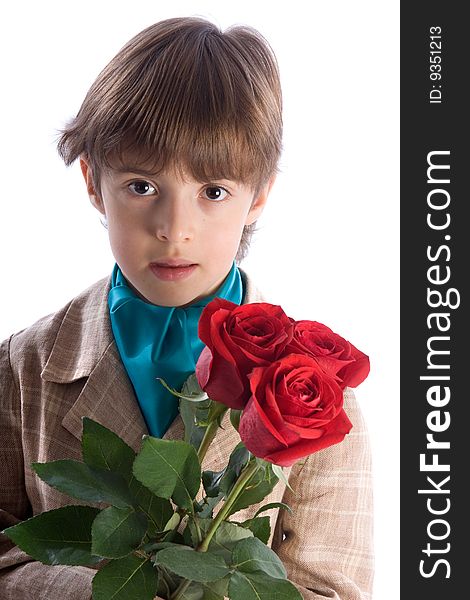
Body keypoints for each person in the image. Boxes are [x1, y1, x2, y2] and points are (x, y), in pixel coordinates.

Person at [0, 16, 374, 599]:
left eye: (213, 192)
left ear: (261, 193)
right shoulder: (21, 368)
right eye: (142, 187)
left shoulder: (321, 391)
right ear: (94, 183)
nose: (175, 230)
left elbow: (333, 587)